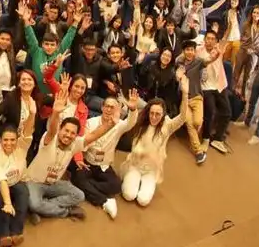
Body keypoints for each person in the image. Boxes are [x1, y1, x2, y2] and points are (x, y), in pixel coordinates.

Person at [24, 74, 118, 221]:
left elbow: (92, 136)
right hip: (34, 182)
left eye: (72, 133)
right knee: (34, 203)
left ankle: (45, 207)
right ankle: (63, 212)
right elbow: (52, 129)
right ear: (61, 130)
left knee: (79, 195)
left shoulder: (74, 144)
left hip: (54, 183)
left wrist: (109, 124)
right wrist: (56, 112)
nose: (68, 135)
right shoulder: (49, 139)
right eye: (66, 131)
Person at [120, 76, 191, 206]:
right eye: (151, 113)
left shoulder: (168, 125)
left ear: (163, 113)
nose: (154, 117)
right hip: (135, 165)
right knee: (129, 195)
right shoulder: (140, 122)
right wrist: (132, 109)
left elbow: (182, 118)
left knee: (143, 201)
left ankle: (143, 184)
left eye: (157, 114)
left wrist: (185, 94)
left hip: (151, 170)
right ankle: (131, 179)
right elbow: (129, 122)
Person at [71, 91, 140, 219]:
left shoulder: (119, 124)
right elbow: (84, 142)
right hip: (87, 163)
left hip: (103, 165)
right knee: (78, 178)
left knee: (116, 186)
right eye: (106, 106)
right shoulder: (91, 122)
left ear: (117, 110)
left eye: (112, 107)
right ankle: (104, 201)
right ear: (102, 107)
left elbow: (130, 123)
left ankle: (88, 187)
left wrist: (133, 108)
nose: (108, 109)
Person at [0, 98, 36, 247]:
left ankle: (16, 232)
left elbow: (27, 132)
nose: (9, 143)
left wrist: (32, 114)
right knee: (2, 198)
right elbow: (1, 180)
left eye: (12, 140)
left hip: (17, 182)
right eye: (5, 140)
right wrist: (8, 203)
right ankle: (1, 234)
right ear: (0, 140)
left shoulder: (21, 146)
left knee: (23, 193)